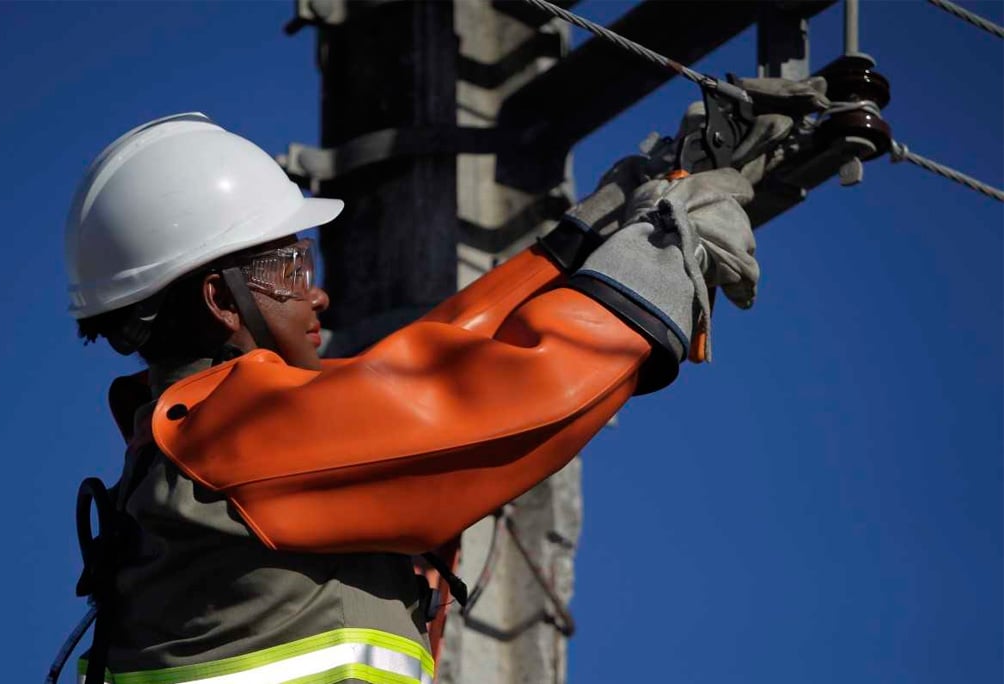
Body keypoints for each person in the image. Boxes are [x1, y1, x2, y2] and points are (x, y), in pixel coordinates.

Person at [65, 111, 762, 684]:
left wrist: (577, 244)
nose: (317, 291)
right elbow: (520, 392)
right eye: (292, 265)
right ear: (222, 299)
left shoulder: (202, 441)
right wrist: (670, 249)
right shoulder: (231, 432)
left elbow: (422, 374)